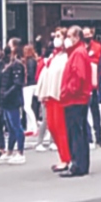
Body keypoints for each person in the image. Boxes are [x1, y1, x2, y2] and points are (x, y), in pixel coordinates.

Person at [58, 27, 93, 178]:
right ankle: (81, 164)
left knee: (76, 132)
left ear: (77, 37)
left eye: (70, 36)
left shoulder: (77, 53)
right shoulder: (78, 52)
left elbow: (78, 76)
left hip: (75, 99)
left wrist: (68, 91)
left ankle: (78, 164)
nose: (67, 38)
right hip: (77, 98)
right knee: (79, 132)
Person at [35, 31, 71, 171]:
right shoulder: (54, 56)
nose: (55, 39)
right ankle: (63, 156)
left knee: (60, 127)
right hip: (50, 95)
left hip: (58, 96)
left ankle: (66, 157)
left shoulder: (66, 57)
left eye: (59, 36)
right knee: (52, 126)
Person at [0, 38, 27, 165]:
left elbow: (17, 83)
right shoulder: (8, 63)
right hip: (7, 100)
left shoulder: (17, 64)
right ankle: (10, 150)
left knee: (16, 126)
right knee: (10, 127)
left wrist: (6, 93)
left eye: (10, 45)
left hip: (13, 99)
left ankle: (20, 152)